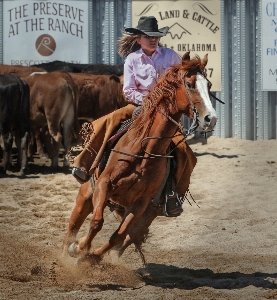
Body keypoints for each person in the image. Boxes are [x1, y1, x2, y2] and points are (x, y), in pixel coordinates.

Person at [72, 16, 196, 216]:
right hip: (138, 106)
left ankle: (171, 193)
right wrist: (148, 100)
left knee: (182, 149)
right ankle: (84, 162)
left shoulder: (171, 56)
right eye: (148, 36)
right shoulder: (132, 59)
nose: (153, 39)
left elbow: (183, 82)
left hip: (166, 113)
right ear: (139, 39)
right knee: (111, 120)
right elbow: (128, 90)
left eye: (156, 36)